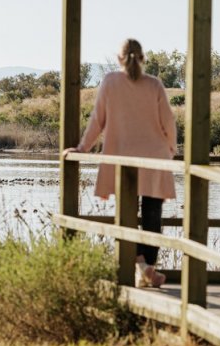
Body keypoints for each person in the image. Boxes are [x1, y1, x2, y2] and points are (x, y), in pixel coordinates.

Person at [66, 38, 177, 288]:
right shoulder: (154, 85)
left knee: (127, 214)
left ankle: (140, 264)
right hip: (154, 158)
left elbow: (98, 120)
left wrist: (83, 148)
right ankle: (146, 266)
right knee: (152, 214)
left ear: (119, 58)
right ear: (143, 58)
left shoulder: (110, 82)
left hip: (123, 158)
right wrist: (171, 147)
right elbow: (168, 122)